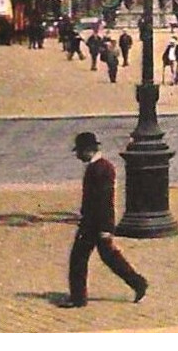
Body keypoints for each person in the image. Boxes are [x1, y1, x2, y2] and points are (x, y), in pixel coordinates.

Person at [60, 132, 148, 308]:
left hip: (95, 223)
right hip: (93, 222)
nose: (78, 156)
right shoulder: (98, 167)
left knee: (82, 258)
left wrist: (106, 228)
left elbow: (106, 200)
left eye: (80, 152)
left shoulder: (101, 169)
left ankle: (79, 298)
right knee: (105, 257)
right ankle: (137, 283)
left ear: (88, 150)